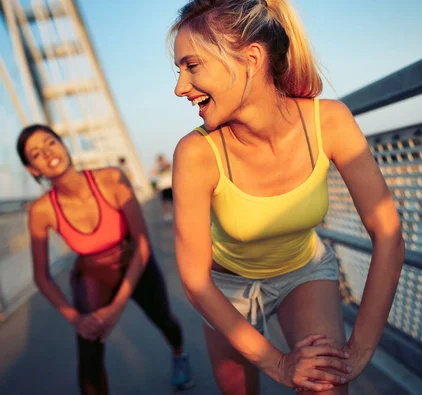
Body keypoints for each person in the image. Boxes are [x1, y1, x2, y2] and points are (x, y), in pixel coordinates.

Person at [169, 1, 404, 394]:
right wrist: (278, 364)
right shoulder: (195, 153)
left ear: (252, 58)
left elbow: (388, 233)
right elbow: (195, 279)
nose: (179, 88)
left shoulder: (329, 122)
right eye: (178, 71)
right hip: (227, 288)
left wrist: (360, 350)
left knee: (326, 384)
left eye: (192, 66)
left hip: (303, 272)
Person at [16, 125, 193, 394]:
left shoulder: (110, 178)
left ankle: (179, 355)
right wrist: (75, 318)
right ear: (33, 169)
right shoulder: (41, 210)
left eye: (50, 143)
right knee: (88, 347)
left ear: (63, 144)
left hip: (135, 262)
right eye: (37, 154)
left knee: (165, 321)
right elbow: (41, 276)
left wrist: (117, 307)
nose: (48, 153)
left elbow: (143, 242)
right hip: (93, 272)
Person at [152, 154, 174, 222]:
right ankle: (167, 215)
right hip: (163, 186)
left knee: (174, 201)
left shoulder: (166, 163)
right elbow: (153, 173)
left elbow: (168, 167)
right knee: (164, 202)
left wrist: (162, 165)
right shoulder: (157, 167)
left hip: (169, 185)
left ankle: (175, 213)